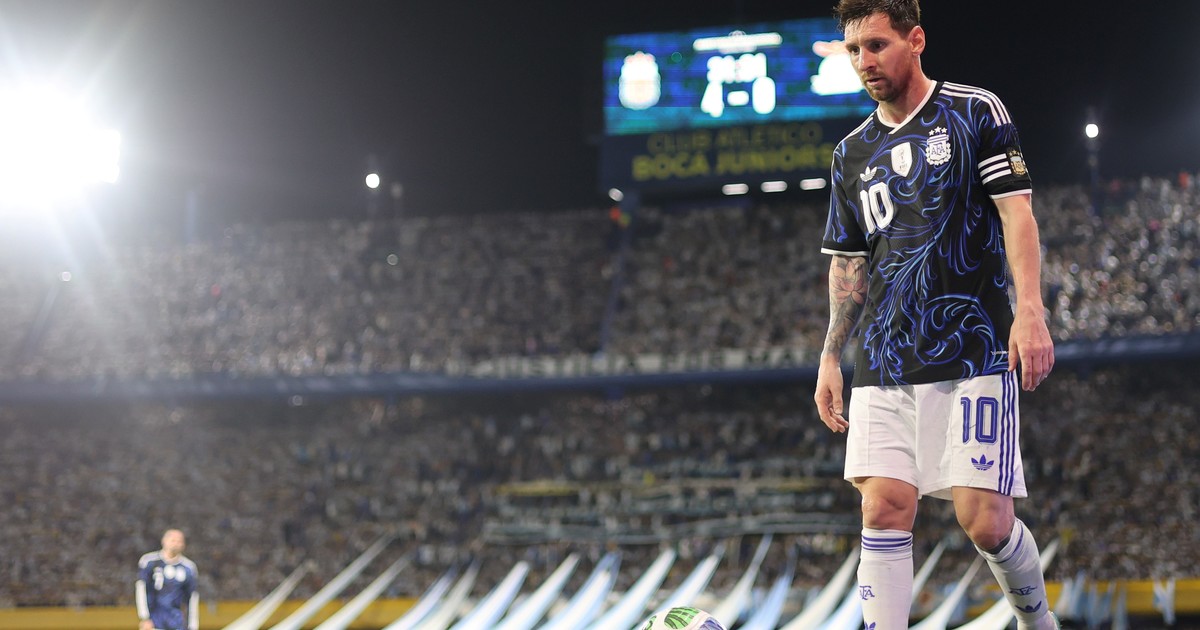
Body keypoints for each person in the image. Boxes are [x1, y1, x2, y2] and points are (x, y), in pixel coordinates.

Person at [813, 1, 1059, 628]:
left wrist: (1030, 311)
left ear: (916, 39)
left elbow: (1017, 214)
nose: (864, 61)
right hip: (884, 358)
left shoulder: (975, 111)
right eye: (855, 50)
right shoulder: (850, 153)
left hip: (973, 347)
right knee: (883, 508)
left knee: (986, 522)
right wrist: (830, 355)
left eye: (876, 45)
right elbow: (849, 265)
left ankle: (1038, 623)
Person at [136, 529, 199, 630]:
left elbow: (192, 598)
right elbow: (142, 589)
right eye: (173, 540)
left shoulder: (189, 567)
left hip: (176, 621)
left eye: (179, 541)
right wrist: (145, 617)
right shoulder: (149, 561)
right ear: (164, 541)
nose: (176, 544)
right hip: (154, 619)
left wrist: (193, 626)